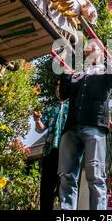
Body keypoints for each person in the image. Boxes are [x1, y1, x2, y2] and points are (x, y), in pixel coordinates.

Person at [58, 40, 112, 210]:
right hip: (71, 127)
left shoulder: (106, 67)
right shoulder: (78, 72)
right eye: (85, 51)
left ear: (100, 51)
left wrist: (109, 61)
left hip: (94, 125)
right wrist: (65, 74)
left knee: (95, 176)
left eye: (92, 48)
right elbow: (63, 94)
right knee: (66, 175)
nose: (87, 52)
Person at [33, 81, 69, 210]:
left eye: (61, 88)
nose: (58, 91)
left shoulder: (74, 106)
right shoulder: (51, 108)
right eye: (57, 89)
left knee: (67, 186)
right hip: (50, 150)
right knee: (47, 187)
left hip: (68, 151)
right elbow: (41, 128)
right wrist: (37, 120)